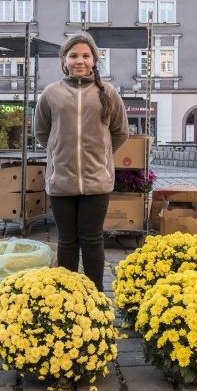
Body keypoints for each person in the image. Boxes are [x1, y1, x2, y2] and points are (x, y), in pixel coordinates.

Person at [33, 33, 129, 292]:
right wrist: (58, 153)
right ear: (64, 60)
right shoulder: (51, 94)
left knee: (92, 239)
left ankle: (95, 295)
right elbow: (42, 132)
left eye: (86, 56)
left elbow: (120, 132)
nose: (80, 61)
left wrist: (102, 156)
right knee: (66, 240)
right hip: (61, 180)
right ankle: (68, 296)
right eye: (73, 55)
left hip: (97, 181)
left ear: (94, 60)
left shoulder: (107, 93)